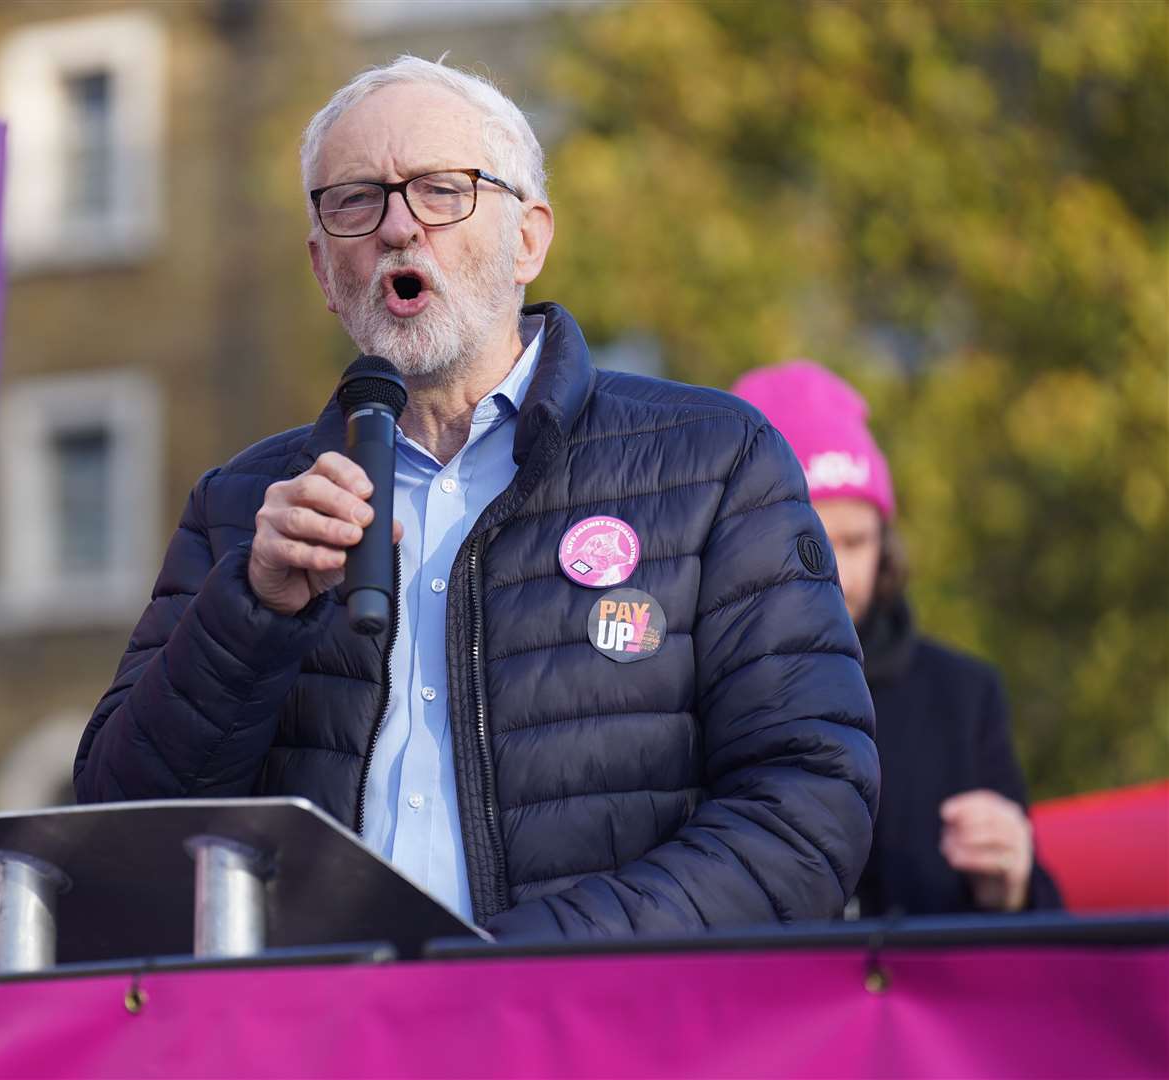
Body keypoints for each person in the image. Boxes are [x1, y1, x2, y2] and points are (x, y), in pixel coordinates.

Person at [74, 57, 879, 939]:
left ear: (529, 237)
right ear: (320, 266)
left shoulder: (715, 461)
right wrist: (251, 611)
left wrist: (522, 966)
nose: (397, 227)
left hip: (591, 1038)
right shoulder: (243, 508)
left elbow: (806, 810)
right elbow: (121, 829)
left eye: (441, 190)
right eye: (355, 200)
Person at [732, 360, 1062, 916]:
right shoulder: (687, 700)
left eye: (856, 539)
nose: (833, 569)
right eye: (806, 537)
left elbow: (1047, 959)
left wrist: (1014, 887)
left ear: (886, 545)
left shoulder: (963, 698)